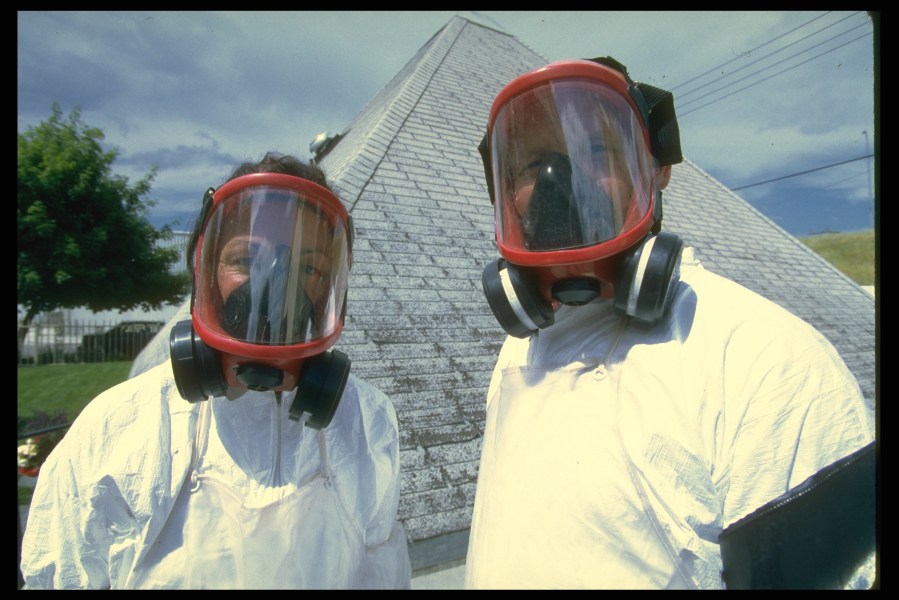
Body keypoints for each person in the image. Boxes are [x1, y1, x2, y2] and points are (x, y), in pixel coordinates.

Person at [465, 57, 876, 589]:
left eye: (595, 151)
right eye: (535, 161)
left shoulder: (769, 364)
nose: (555, 180)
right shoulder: (518, 352)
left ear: (657, 167)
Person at [20, 152, 412, 589]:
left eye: (307, 267)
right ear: (206, 272)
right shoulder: (115, 428)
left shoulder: (365, 419)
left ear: (332, 288)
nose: (273, 287)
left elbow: (381, 572)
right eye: (245, 261)